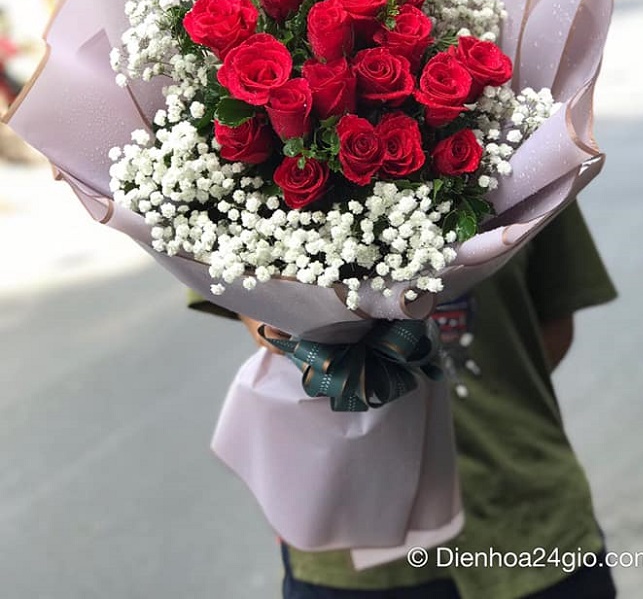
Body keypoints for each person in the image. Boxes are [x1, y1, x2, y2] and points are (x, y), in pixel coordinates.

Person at [188, 200, 617, 599]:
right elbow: (253, 309)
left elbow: (552, 321)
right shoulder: (227, 150)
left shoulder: (527, 146)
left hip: (530, 524)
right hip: (351, 541)